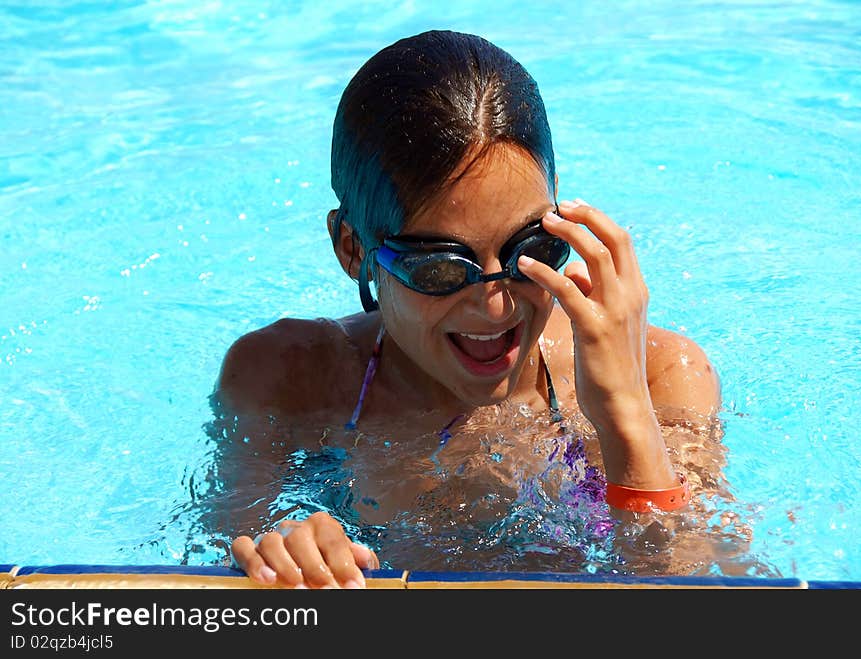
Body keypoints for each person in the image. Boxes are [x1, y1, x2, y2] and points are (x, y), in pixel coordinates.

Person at [212, 29, 723, 589]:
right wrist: (281, 560)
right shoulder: (288, 382)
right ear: (353, 248)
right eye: (441, 266)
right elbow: (195, 583)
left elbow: (705, 591)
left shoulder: (660, 375)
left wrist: (626, 411)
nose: (496, 305)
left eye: (530, 247)